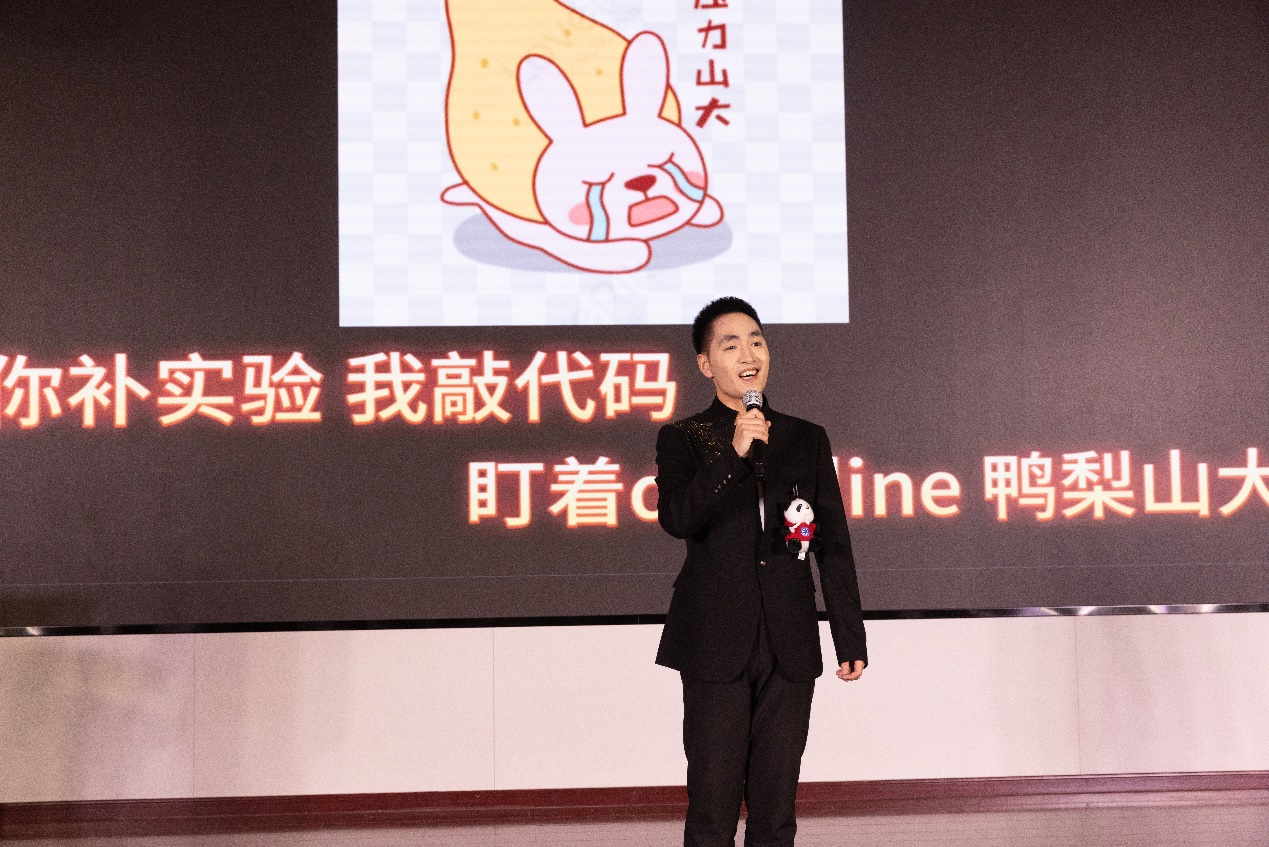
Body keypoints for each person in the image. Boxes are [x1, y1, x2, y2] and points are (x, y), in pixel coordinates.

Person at [655, 297, 868, 847]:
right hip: (713, 641)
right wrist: (733, 453)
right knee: (713, 805)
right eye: (731, 345)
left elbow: (831, 543)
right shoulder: (684, 437)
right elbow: (677, 518)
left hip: (788, 639)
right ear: (706, 364)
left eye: (756, 341)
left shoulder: (805, 438)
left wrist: (848, 635)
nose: (748, 355)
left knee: (776, 811)